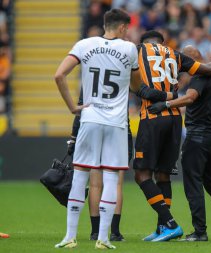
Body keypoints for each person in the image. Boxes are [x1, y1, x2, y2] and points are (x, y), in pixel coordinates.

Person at [54, 9, 142, 249]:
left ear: (105, 24)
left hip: (89, 118)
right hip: (116, 123)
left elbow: (59, 75)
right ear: (123, 27)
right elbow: (136, 85)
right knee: (112, 177)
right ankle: (103, 239)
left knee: (81, 175)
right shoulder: (129, 49)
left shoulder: (84, 44)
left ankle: (69, 236)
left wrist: (73, 107)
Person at [133, 30, 211, 242]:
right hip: (175, 119)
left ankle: (170, 223)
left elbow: (137, 87)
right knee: (163, 175)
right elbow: (208, 69)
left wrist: (157, 95)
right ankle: (162, 228)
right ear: (161, 42)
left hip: (152, 115)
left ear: (144, 42)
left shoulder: (137, 51)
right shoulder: (175, 54)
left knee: (141, 174)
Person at [148, 45, 211, 242]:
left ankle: (200, 231)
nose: (183, 67)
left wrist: (165, 104)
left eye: (184, 62)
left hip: (197, 135)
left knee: (193, 184)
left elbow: (191, 98)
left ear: (193, 58)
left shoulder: (199, 77)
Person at [67, 89, 133, 242]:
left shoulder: (91, 72)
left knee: (95, 185)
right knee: (116, 183)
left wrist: (73, 136)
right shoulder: (122, 69)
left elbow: (81, 108)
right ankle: (115, 232)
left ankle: (95, 232)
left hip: (93, 125)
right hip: (119, 126)